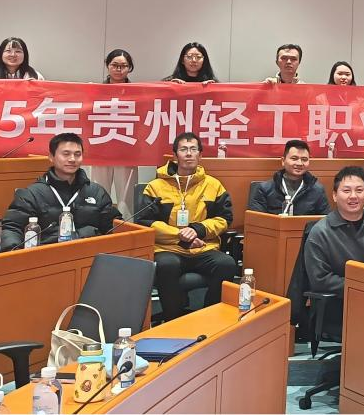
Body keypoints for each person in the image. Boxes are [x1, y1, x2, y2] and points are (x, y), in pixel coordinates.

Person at [137, 132, 236, 320]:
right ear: (175, 156)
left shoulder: (213, 185)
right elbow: (145, 222)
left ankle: (210, 317)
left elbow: (224, 218)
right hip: (168, 248)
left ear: (200, 155)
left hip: (203, 246)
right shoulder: (155, 186)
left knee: (226, 264)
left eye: (193, 149)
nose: (189, 153)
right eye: (183, 149)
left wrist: (198, 230)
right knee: (167, 265)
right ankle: (174, 319)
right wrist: (179, 235)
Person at [0, 133, 118, 249]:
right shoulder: (32, 194)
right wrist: (14, 255)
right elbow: (12, 228)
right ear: (51, 157)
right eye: (66, 154)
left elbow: (114, 226)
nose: (72, 159)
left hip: (89, 254)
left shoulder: (96, 192)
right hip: (47, 256)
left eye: (77, 154)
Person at [303, 167, 364, 302]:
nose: (353, 196)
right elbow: (320, 280)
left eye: (359, 190)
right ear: (334, 196)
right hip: (338, 304)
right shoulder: (320, 232)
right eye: (346, 191)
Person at [89, 49, 138, 217]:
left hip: (127, 147)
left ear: (130, 68)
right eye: (115, 65)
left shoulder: (139, 92)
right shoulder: (95, 90)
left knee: (127, 197)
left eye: (123, 66)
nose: (119, 69)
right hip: (101, 147)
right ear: (107, 66)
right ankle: (97, 225)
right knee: (98, 192)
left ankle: (127, 227)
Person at [248, 139, 330, 215]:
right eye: (294, 158)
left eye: (304, 159)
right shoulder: (264, 189)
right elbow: (256, 221)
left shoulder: (317, 190)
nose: (299, 163)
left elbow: (325, 221)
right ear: (283, 161)